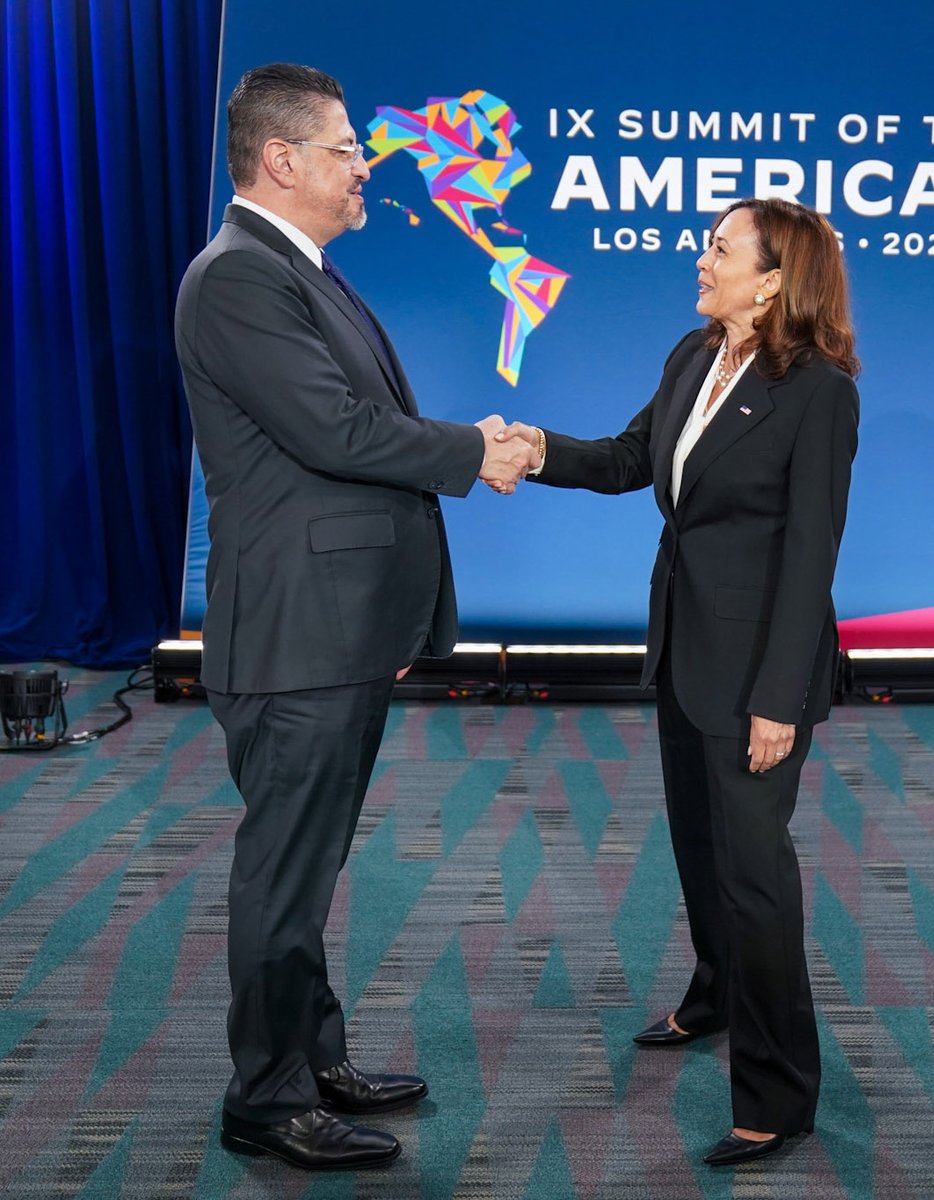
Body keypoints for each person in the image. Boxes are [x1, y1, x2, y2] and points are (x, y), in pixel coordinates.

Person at [174, 63, 536, 1172]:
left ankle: (310, 1055)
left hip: (336, 628)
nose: (364, 166)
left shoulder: (300, 270)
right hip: (296, 634)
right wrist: (476, 449)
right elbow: (337, 433)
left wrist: (461, 443)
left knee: (310, 867)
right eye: (345, 150)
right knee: (284, 874)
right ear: (280, 161)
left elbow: (356, 422)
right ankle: (268, 1098)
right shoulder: (238, 277)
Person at [496, 197, 859, 1166]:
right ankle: (714, 996)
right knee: (700, 848)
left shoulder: (819, 391)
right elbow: (627, 459)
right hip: (684, 649)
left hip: (757, 675)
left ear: (774, 279)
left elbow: (811, 555)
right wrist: (536, 450)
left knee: (754, 876)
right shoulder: (693, 357)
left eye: (719, 247)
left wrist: (781, 698)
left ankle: (778, 1094)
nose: (700, 258)